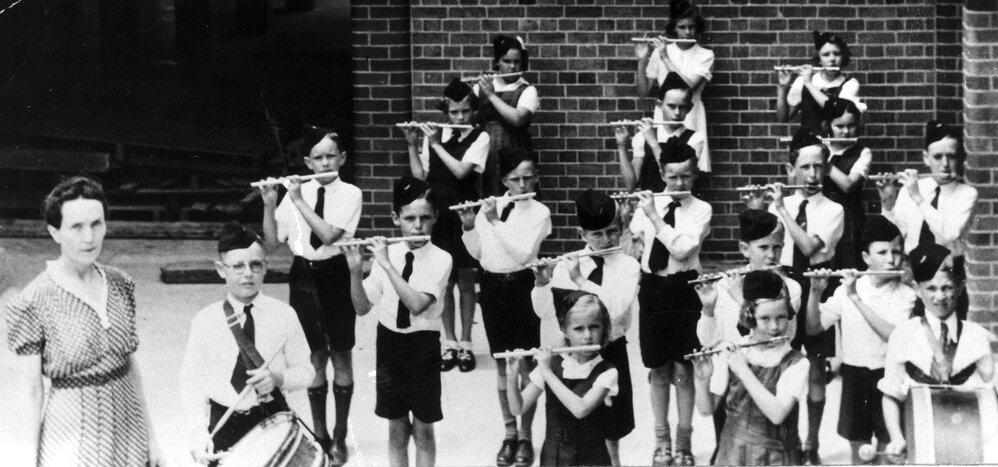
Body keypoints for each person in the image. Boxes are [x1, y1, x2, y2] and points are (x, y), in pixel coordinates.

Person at [5, 176, 161, 466]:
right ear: (55, 232)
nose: (89, 237)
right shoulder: (33, 300)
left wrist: (151, 439)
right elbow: (31, 392)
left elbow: (130, 366)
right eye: (76, 227)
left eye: (96, 224)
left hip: (130, 435)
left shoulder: (119, 283)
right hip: (73, 438)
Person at [260, 130, 362, 463]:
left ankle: (341, 436)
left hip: (335, 273)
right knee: (315, 355)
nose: (324, 163)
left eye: (331, 156)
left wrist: (299, 199)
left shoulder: (350, 193)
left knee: (340, 354)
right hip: (303, 275)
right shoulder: (294, 194)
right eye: (317, 158)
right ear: (307, 162)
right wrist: (272, 202)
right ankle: (320, 434)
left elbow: (329, 234)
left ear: (342, 158)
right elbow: (274, 242)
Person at [179, 222, 315, 464]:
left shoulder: (284, 315)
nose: (247, 273)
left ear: (266, 267)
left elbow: (306, 372)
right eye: (238, 266)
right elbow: (191, 383)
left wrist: (278, 379)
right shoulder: (206, 320)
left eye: (255, 265)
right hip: (223, 424)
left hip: (270, 421)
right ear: (221, 269)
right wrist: (198, 433)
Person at [747, 128, 844, 465]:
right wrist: (759, 209)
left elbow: (808, 246)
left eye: (818, 167)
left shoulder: (833, 209)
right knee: (782, 365)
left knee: (816, 370)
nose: (812, 175)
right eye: (804, 168)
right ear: (791, 170)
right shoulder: (780, 202)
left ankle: (812, 443)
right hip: (782, 290)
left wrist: (782, 212)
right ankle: (787, 441)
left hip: (816, 289)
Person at [345, 176, 452, 467]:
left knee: (423, 429)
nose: (418, 226)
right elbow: (362, 307)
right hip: (389, 344)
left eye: (425, 219)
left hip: (422, 347)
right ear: (396, 218)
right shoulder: (387, 254)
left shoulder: (442, 259)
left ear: (435, 219)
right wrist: (356, 271)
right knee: (395, 428)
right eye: (410, 218)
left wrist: (387, 264)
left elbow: (416, 305)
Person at [530, 189, 640, 466]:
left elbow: (614, 311)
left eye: (612, 232)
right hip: (575, 355)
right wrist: (542, 284)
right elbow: (547, 313)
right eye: (597, 234)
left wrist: (580, 278)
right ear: (582, 234)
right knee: (577, 425)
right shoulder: (566, 264)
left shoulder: (628, 265)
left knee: (611, 428)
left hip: (610, 351)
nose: (606, 240)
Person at [459, 147, 552, 467]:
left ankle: (525, 436)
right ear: (504, 180)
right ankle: (509, 433)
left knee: (525, 365)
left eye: (529, 178)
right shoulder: (492, 207)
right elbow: (479, 255)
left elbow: (525, 254)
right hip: (494, 290)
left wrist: (494, 221)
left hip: (524, 288)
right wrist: (471, 227)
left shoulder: (539, 212)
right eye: (516, 179)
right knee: (503, 365)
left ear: (536, 178)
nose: (523, 185)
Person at [804, 216, 916, 464]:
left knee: (887, 453)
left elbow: (893, 336)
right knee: (860, 454)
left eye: (896, 252)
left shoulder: (906, 295)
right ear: (866, 258)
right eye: (883, 252)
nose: (891, 259)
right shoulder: (847, 289)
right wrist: (815, 293)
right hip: (855, 378)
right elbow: (813, 329)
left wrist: (856, 299)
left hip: (890, 377)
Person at [695, 209, 802, 462]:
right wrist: (708, 309)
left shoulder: (791, 287)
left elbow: (788, 335)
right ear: (745, 249)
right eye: (763, 247)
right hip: (732, 373)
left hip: (774, 372)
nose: (772, 254)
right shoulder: (724, 284)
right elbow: (708, 340)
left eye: (777, 247)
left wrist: (741, 299)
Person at [628, 143, 711, 466]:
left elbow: (681, 248)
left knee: (684, 370)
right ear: (662, 173)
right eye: (672, 177)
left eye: (686, 177)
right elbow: (636, 245)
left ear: (695, 175)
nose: (679, 184)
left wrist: (652, 216)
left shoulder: (701, 210)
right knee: (657, 370)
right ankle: (661, 440)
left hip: (684, 289)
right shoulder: (647, 205)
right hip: (652, 289)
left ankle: (684, 442)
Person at [878, 242, 994, 459]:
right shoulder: (903, 335)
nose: (939, 297)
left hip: (969, 446)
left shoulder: (976, 336)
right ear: (917, 290)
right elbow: (891, 396)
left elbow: (990, 396)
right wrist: (897, 438)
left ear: (959, 287)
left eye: (947, 288)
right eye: (931, 288)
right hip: (922, 443)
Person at [405, 78, 490, 372]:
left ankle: (466, 343)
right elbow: (420, 178)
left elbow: (461, 171)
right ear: (446, 112)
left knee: (466, 279)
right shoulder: (437, 136)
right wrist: (414, 146)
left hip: (465, 214)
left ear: (474, 111)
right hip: (438, 214)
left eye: (465, 112)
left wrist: (436, 145)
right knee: (444, 281)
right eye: (453, 113)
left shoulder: (480, 137)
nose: (460, 118)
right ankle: (449, 342)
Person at [692, 270, 810, 466]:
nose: (774, 327)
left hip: (776, 458)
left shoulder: (796, 362)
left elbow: (777, 414)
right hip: (731, 454)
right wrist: (702, 380)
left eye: (781, 317)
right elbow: (706, 410)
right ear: (749, 315)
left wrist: (743, 371)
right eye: (765, 318)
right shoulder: (733, 351)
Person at [506, 292, 619, 467]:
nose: (587, 336)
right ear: (565, 330)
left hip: (591, 457)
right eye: (579, 329)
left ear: (603, 328)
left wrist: (547, 371)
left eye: (594, 327)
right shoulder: (553, 363)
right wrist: (512, 376)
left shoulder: (607, 371)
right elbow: (517, 408)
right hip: (554, 455)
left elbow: (580, 409)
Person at [879, 120, 976, 320]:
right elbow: (896, 233)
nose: (945, 164)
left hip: (948, 276)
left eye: (951, 156)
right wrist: (887, 203)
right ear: (926, 158)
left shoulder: (967, 194)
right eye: (938, 156)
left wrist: (918, 198)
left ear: (961, 159)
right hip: (912, 276)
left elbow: (949, 232)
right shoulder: (912, 188)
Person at [636, 0, 715, 172]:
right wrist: (642, 60)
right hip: (665, 111)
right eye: (682, 27)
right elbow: (643, 92)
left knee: (689, 166)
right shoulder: (661, 51)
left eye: (692, 27)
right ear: (674, 28)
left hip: (690, 113)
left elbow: (687, 87)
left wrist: (665, 57)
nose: (687, 32)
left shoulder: (706, 55)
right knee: (662, 164)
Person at [615, 72, 706, 193]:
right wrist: (622, 146)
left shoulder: (695, 138)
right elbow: (631, 185)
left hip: (681, 206)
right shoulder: (643, 137)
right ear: (659, 105)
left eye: (682, 107)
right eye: (671, 106)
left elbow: (673, 174)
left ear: (689, 108)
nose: (677, 112)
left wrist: (653, 142)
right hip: (650, 206)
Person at [475, 35, 539, 197]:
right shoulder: (483, 86)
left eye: (517, 62)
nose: (512, 67)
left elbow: (517, 119)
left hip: (515, 153)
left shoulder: (527, 90)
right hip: (486, 153)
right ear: (497, 62)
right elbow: (470, 117)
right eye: (507, 61)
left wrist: (491, 95)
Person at [777, 31, 864, 133]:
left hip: (835, 144)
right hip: (807, 144)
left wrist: (809, 84)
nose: (832, 59)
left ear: (843, 57)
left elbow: (836, 111)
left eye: (837, 54)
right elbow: (783, 118)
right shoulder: (802, 81)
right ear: (819, 59)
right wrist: (782, 87)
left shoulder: (851, 84)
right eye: (826, 55)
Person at [821, 96, 871, 270]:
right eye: (839, 126)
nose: (846, 131)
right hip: (821, 215)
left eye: (851, 126)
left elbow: (849, 185)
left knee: (847, 264)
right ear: (828, 126)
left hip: (849, 220)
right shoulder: (821, 147)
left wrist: (825, 164)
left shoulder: (863, 153)